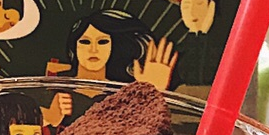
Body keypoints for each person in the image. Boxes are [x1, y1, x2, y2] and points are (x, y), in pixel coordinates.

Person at [48, 10, 178, 90]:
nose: (93, 50)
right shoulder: (56, 87)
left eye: (102, 42)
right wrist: (49, 116)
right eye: (85, 42)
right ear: (74, 47)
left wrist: (153, 91)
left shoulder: (121, 94)